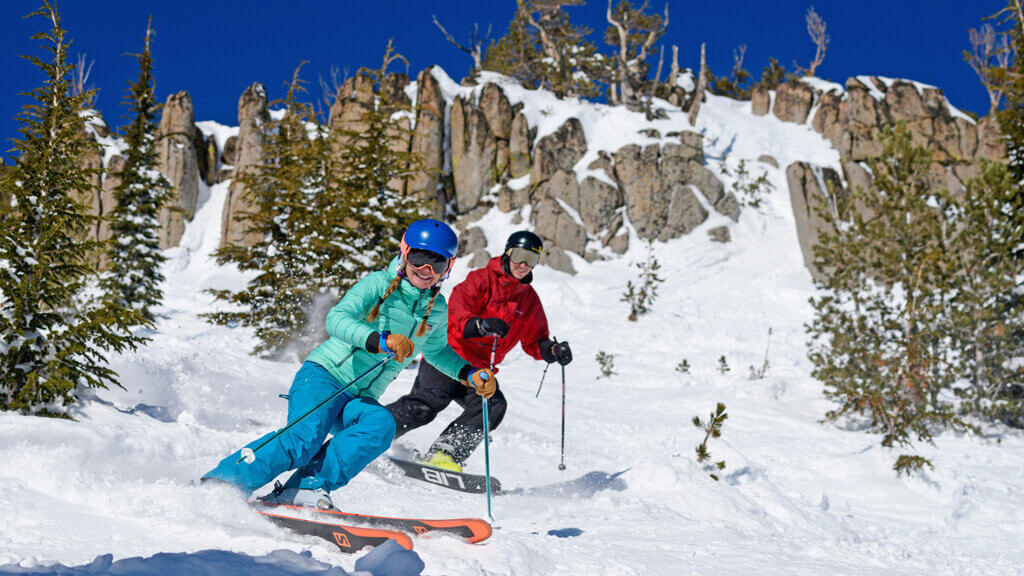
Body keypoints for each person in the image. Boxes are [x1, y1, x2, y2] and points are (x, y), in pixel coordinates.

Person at [201, 219, 497, 509]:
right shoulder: (378, 285)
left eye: (438, 263)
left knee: (380, 424)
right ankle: (225, 480)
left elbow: (436, 352)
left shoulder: (436, 309)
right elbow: (337, 319)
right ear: (405, 254)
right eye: (420, 258)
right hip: (324, 376)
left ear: (450, 267)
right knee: (304, 440)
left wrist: (470, 374)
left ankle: (306, 487)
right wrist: (380, 341)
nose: (427, 270)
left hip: (361, 396)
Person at [387, 231, 573, 472]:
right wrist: (479, 325)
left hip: (478, 370)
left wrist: (552, 350)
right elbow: (455, 311)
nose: (523, 264)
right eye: (519, 256)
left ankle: (445, 454)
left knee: (492, 405)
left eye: (531, 259)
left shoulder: (528, 300)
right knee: (426, 405)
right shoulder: (482, 279)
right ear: (507, 253)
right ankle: (371, 431)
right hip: (449, 354)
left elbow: (535, 339)